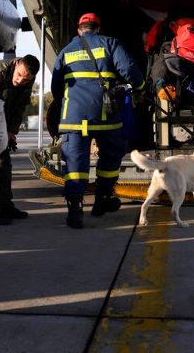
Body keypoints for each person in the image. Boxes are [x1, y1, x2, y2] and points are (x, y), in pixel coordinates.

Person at [50, 12, 145, 229]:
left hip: (73, 118)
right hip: (104, 114)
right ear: (98, 28)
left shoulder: (65, 51)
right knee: (112, 153)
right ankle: (102, 198)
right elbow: (129, 69)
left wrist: (68, 104)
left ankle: (75, 208)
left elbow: (56, 87)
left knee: (75, 162)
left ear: (79, 30)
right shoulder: (109, 43)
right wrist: (140, 88)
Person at [0, 55, 40, 225]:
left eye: (26, 79)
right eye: (19, 75)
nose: (20, 81)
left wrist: (11, 131)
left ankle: (5, 206)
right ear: (17, 64)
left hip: (0, 125)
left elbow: (20, 105)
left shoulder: (27, 78)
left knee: (3, 165)